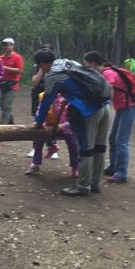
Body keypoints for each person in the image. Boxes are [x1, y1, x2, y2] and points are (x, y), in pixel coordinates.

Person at [34, 50, 111, 196]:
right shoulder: (70, 64)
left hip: (89, 110)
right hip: (104, 106)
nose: (41, 69)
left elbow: (46, 101)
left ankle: (82, 186)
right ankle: (95, 183)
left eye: (40, 66)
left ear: (43, 64)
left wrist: (38, 121)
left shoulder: (53, 75)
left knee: (86, 148)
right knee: (99, 147)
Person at [102, 58, 135, 184]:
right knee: (113, 139)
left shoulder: (107, 72)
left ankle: (121, 173)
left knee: (121, 141)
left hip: (128, 108)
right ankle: (113, 168)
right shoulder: (111, 71)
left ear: (94, 63)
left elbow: (109, 88)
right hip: (122, 108)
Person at [25, 92, 79, 178]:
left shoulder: (71, 96)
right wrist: (39, 121)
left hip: (66, 125)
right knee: (39, 136)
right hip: (49, 123)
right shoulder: (44, 95)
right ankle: (35, 164)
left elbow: (74, 117)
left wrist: (63, 125)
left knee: (72, 142)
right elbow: (40, 111)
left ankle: (75, 167)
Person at [28, 44, 59, 160]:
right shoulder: (36, 67)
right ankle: (35, 147)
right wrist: (41, 69)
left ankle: (52, 146)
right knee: (38, 121)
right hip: (38, 95)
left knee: (52, 121)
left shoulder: (57, 69)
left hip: (52, 95)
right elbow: (34, 83)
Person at [0, 38, 24, 125]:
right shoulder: (1, 58)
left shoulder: (17, 57)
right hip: (2, 84)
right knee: (3, 105)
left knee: (6, 106)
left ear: (13, 45)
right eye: (4, 45)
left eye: (8, 44)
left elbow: (20, 70)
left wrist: (6, 68)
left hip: (12, 85)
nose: (6, 46)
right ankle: (10, 120)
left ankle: (2, 126)